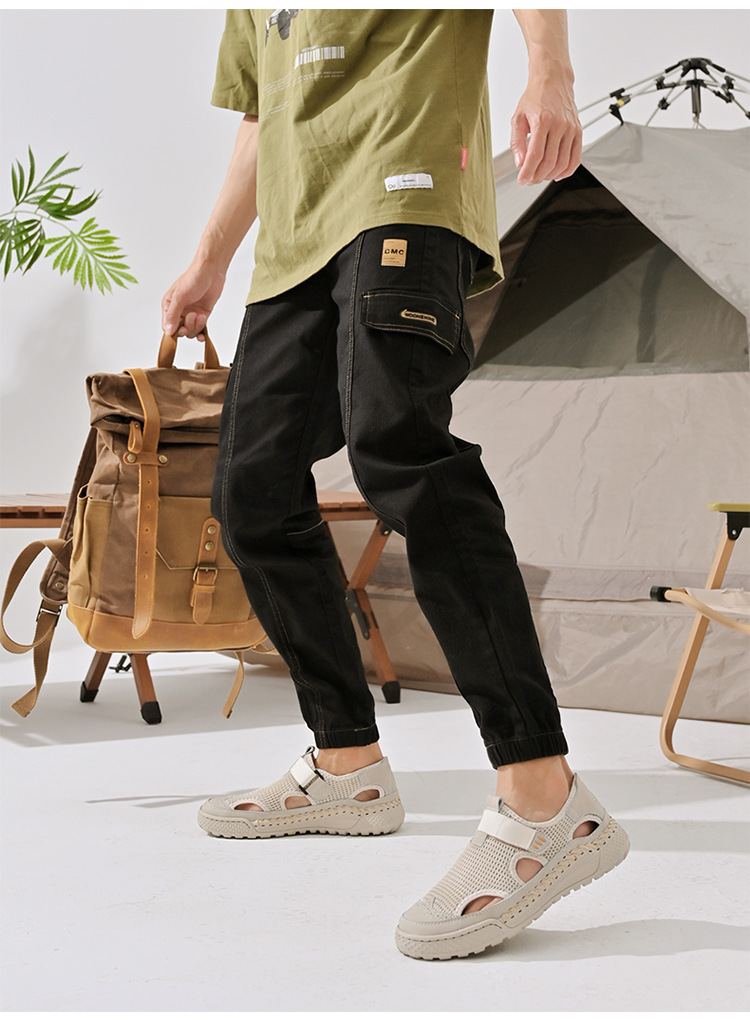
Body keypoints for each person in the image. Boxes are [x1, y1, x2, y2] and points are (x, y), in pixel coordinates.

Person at [162, 9, 629, 961]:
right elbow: (262, 119)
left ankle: (545, 798)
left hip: (405, 192)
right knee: (251, 493)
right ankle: (347, 764)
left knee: (399, 452)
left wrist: (551, 72)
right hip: (291, 248)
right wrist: (208, 261)